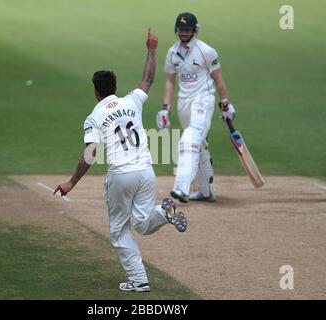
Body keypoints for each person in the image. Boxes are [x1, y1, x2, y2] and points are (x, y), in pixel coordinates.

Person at [54, 29, 187, 292]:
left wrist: (72, 182)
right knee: (142, 223)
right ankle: (163, 212)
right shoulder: (132, 101)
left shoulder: (94, 116)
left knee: (119, 231)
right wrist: (151, 49)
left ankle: (139, 280)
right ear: (114, 88)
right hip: (146, 172)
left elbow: (90, 154)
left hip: (121, 175)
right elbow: (147, 79)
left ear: (96, 91)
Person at [156, 12, 236, 203]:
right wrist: (165, 108)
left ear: (195, 30)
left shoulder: (206, 51)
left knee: (188, 142)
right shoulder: (171, 53)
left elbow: (219, 79)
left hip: (203, 100)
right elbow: (169, 82)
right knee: (199, 146)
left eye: (188, 29)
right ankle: (207, 192)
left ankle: (181, 188)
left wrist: (225, 104)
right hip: (183, 103)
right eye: (181, 30)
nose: (184, 33)